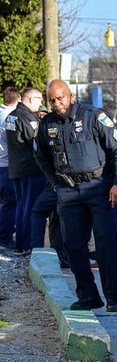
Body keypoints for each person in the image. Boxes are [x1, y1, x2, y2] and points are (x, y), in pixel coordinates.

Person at [35, 80, 117, 312]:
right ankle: (88, 296)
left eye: (61, 98)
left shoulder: (93, 117)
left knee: (105, 244)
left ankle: (113, 297)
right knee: (73, 246)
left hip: (99, 188)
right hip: (68, 192)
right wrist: (56, 184)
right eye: (53, 100)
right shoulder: (46, 125)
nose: (57, 104)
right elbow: (41, 158)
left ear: (71, 96)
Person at [5, 87, 47, 255]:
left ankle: (20, 244)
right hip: (30, 169)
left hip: (16, 168)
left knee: (22, 207)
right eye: (40, 100)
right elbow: (36, 142)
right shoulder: (27, 117)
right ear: (30, 99)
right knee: (31, 208)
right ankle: (28, 244)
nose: (41, 103)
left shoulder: (11, 116)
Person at [0, 87, 19, 249]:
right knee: (9, 202)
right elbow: (13, 141)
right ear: (18, 99)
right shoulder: (9, 117)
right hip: (6, 165)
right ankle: (4, 238)